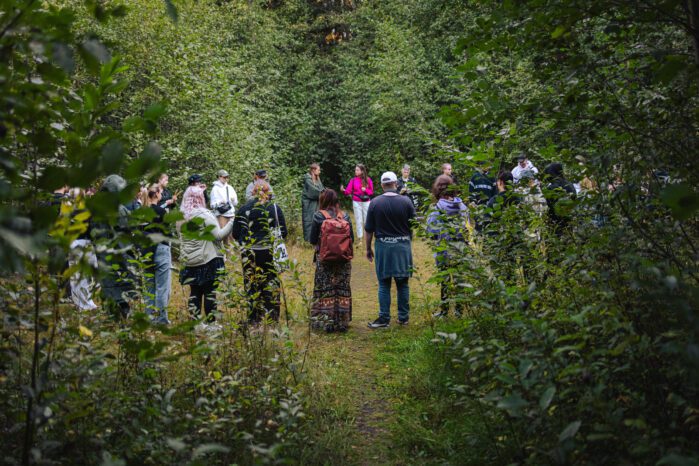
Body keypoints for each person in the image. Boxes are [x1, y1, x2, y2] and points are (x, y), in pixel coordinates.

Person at [365, 171, 416, 328]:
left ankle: (384, 319)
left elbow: (369, 230)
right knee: (403, 283)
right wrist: (408, 239)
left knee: (384, 283)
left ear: (381, 185)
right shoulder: (406, 202)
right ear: (396, 184)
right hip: (402, 246)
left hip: (383, 247)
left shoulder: (375, 203)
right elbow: (413, 225)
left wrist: (368, 248)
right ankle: (403, 317)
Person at [232, 182, 288, 325]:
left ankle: (254, 317)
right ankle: (272, 317)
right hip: (269, 252)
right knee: (271, 283)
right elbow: (284, 232)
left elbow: (235, 233)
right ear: (268, 192)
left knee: (251, 284)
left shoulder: (243, 209)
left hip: (249, 253)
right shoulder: (274, 208)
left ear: (252, 193)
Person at [179, 185, 233, 328]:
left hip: (189, 260)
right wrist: (232, 221)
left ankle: (195, 324)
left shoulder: (181, 216)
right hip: (206, 259)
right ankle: (211, 325)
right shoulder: (203, 215)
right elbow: (219, 236)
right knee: (210, 292)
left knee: (195, 292)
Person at [309, 189, 353, 332]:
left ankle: (324, 322)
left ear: (323, 200)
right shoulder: (345, 216)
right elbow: (351, 237)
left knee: (324, 288)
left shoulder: (318, 216)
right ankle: (342, 323)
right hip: (343, 260)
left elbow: (312, 240)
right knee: (342, 289)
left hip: (325, 259)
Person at [426, 175, 469, 318]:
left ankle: (444, 311)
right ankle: (459, 311)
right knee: (459, 280)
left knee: (444, 280)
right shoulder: (462, 206)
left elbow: (431, 232)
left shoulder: (436, 208)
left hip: (443, 248)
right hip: (460, 247)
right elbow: (467, 228)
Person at [94, 174, 135, 319]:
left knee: (110, 287)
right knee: (121, 288)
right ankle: (122, 316)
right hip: (119, 255)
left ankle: (114, 318)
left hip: (104, 256)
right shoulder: (121, 210)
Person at [143, 183, 172, 324]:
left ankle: (149, 317)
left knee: (149, 285)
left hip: (146, 250)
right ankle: (161, 318)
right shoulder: (161, 212)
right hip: (160, 248)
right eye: (160, 192)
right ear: (156, 195)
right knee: (162, 286)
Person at [342, 164, 373, 244]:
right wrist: (343, 190)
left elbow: (371, 192)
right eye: (355, 170)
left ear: (362, 171)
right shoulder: (353, 180)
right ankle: (360, 239)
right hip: (356, 202)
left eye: (357, 170)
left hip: (366, 202)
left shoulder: (368, 180)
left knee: (367, 220)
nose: (356, 171)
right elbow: (348, 191)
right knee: (358, 220)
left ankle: (367, 237)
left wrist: (365, 189)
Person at [542, 162, 576, 231]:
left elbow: (549, 205)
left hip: (555, 221)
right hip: (570, 218)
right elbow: (574, 198)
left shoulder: (551, 187)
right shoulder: (569, 184)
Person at [302, 163, 325, 243]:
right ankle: (308, 240)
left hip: (316, 204)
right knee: (309, 220)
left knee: (317, 220)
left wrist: (324, 192)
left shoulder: (317, 179)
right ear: (313, 170)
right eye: (318, 170)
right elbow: (314, 191)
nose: (320, 172)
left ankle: (316, 239)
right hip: (309, 204)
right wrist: (323, 193)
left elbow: (322, 189)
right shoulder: (308, 179)